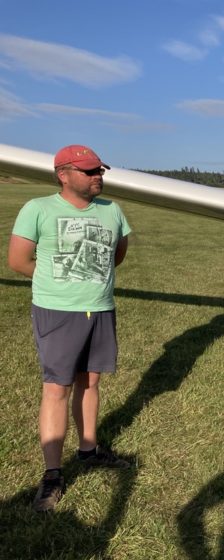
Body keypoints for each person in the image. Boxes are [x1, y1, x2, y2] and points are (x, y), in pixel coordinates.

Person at [8, 144, 132, 512]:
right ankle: (52, 475)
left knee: (91, 381)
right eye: (90, 171)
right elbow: (17, 261)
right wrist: (59, 280)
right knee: (57, 387)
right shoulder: (38, 209)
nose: (99, 177)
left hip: (101, 309)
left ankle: (89, 450)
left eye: (100, 171)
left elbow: (117, 253)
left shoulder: (113, 211)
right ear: (63, 174)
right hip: (57, 311)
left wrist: (90, 278)